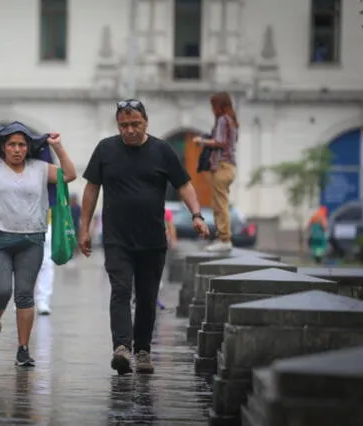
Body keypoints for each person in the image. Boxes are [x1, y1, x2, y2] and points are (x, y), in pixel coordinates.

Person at [78, 99, 209, 375]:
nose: (129, 130)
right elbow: (92, 188)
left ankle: (143, 350)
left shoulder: (163, 151)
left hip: (152, 240)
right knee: (121, 290)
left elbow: (183, 184)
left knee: (148, 297)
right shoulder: (105, 149)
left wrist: (196, 215)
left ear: (146, 122)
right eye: (123, 125)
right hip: (116, 238)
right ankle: (122, 349)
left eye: (135, 124)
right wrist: (84, 228)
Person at [0, 122, 76, 367]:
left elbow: (69, 175)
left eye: (21, 145)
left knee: (25, 295)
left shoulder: (40, 168)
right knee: (1, 292)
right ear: (3, 147)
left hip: (31, 238)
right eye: (12, 144)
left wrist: (58, 146)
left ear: (28, 148)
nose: (16, 149)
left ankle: (23, 349)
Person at [193, 92, 238, 252]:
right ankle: (223, 237)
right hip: (229, 167)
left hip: (222, 166)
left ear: (220, 106)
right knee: (220, 202)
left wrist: (202, 141)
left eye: (214, 106)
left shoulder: (222, 120)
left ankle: (224, 239)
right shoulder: (231, 121)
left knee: (220, 203)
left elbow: (220, 142)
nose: (212, 109)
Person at [35, 209, 54, 315]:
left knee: (46, 264)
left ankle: (43, 300)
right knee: (23, 262)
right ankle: (21, 299)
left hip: (46, 221)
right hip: (22, 222)